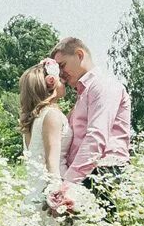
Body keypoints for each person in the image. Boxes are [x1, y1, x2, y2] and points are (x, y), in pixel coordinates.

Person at [49, 36, 131, 210]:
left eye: (62, 65)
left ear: (79, 54)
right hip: (88, 173)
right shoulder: (84, 92)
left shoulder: (102, 85)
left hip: (104, 172)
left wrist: (68, 182)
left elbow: (96, 137)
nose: (61, 74)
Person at [17, 59, 71, 222]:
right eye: (60, 78)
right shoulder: (51, 115)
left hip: (35, 191)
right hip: (49, 196)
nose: (64, 81)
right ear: (51, 83)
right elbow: (51, 161)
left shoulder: (34, 119)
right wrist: (57, 198)